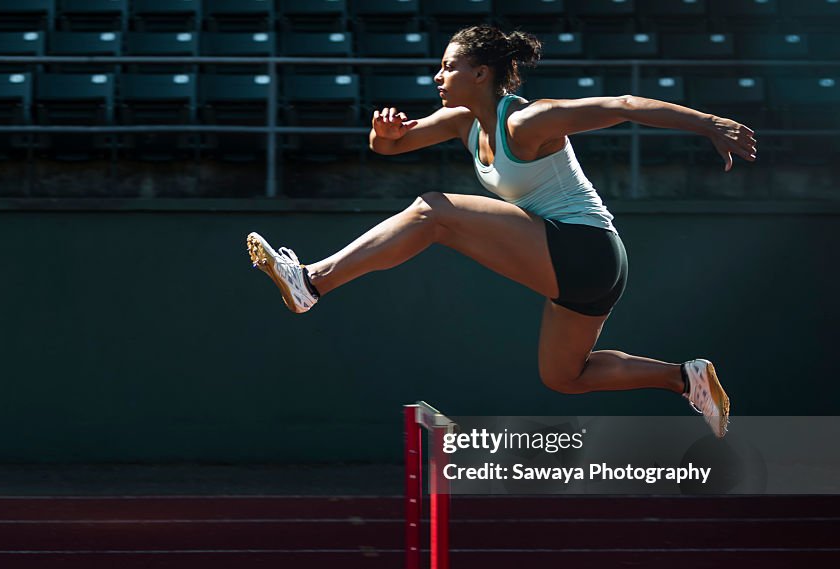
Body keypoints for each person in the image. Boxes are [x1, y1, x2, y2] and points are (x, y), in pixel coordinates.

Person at [246, 25, 756, 438]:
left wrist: (710, 123)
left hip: (585, 249)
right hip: (583, 268)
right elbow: (391, 148)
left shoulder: (530, 120)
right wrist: (382, 134)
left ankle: (312, 281)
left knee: (433, 212)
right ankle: (684, 377)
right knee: (565, 377)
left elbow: (622, 104)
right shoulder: (460, 121)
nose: (438, 75)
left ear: (481, 72)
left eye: (449, 66)